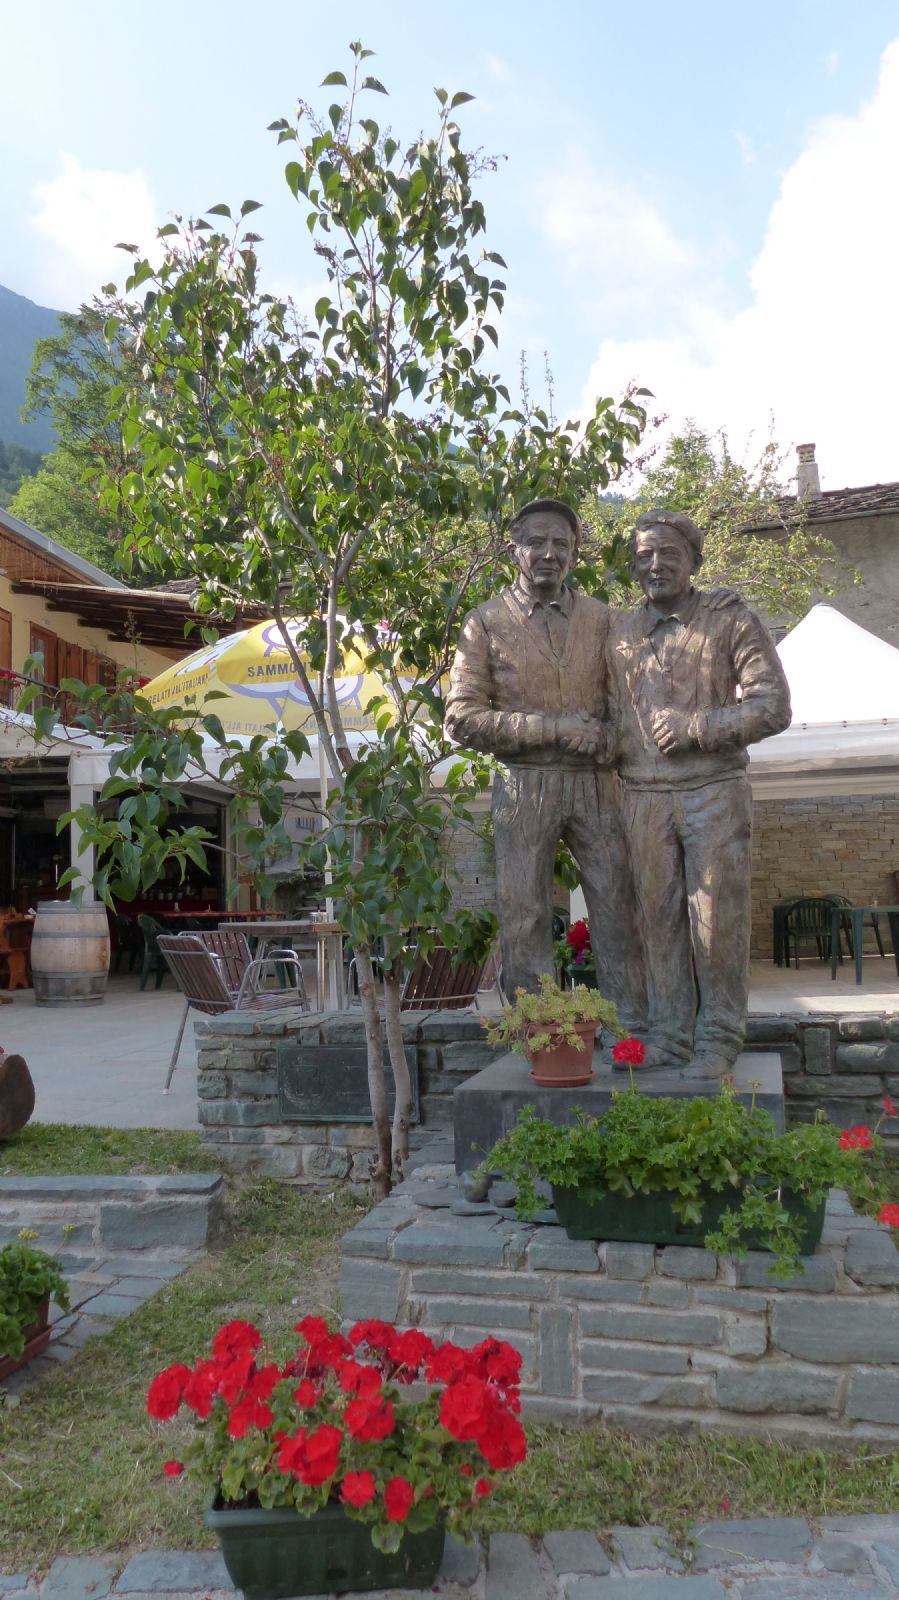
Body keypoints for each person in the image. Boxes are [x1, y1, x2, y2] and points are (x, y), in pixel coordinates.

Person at [444, 498, 646, 1031]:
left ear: (575, 552)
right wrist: (553, 729)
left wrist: (604, 739)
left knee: (617, 904)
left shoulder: (604, 620)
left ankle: (630, 1028)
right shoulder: (486, 622)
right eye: (536, 542)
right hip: (523, 784)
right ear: (514, 550)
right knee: (524, 912)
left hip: (595, 783)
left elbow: (628, 710)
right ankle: (537, 1032)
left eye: (562, 543)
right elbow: (461, 716)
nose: (549, 553)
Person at [609, 508, 792, 1076]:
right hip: (642, 796)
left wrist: (696, 727)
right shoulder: (619, 633)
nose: (655, 564)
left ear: (694, 560)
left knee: (716, 920)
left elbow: (773, 706)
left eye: (669, 552)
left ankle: (719, 1036)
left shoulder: (729, 617)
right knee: (657, 921)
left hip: (713, 790)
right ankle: (669, 1034)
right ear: (632, 567)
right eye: (644, 555)